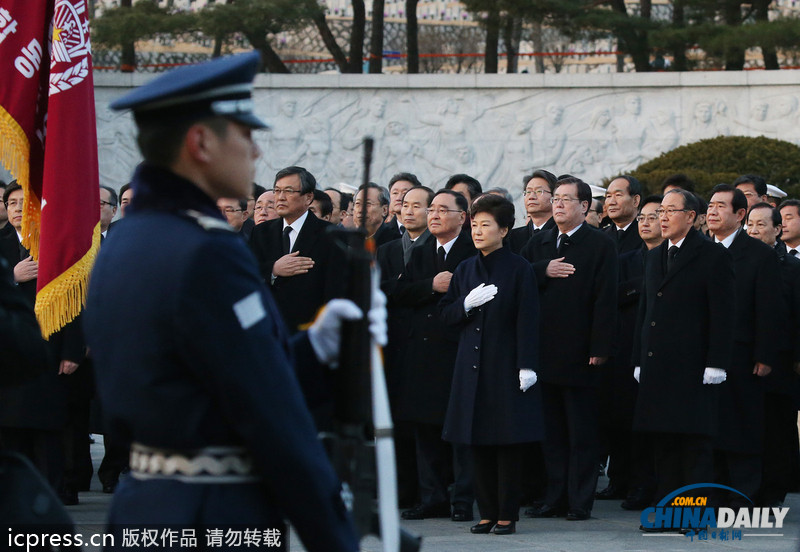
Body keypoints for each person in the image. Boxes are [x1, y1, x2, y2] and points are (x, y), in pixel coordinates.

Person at [84, 51, 366, 552]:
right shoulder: (208, 249)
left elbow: (202, 373)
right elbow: (269, 413)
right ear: (201, 143)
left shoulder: (124, 239)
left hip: (143, 505)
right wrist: (335, 535)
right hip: (214, 511)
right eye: (245, 135)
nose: (256, 152)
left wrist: (310, 348)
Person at [439, 194, 543, 536]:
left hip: (505, 365)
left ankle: (507, 514)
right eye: (475, 225)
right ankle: (485, 513)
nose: (478, 232)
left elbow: (528, 319)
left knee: (506, 444)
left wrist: (526, 365)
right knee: (476, 442)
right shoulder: (466, 269)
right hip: (470, 367)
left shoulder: (519, 268)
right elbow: (447, 316)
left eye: (486, 225)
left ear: (505, 229)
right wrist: (465, 305)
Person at [633, 189, 734, 527]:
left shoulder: (711, 255)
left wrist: (717, 362)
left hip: (693, 368)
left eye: (670, 211)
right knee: (664, 443)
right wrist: (638, 359)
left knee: (693, 445)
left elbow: (723, 313)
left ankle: (693, 514)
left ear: (691, 216)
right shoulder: (653, 255)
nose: (662, 217)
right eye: (660, 210)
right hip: (657, 366)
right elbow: (645, 311)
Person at [521, 176, 617, 521]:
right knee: (551, 434)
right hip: (544, 352)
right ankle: (554, 497)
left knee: (582, 434)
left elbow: (606, 299)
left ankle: (579, 501)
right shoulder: (539, 243)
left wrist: (600, 346)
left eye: (566, 199)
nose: (557, 204)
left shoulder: (600, 244)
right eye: (556, 198)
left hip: (582, 354)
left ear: (585, 206)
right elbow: (517, 282)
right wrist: (541, 270)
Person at [394, 189, 477, 523]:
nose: (435, 215)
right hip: (421, 353)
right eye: (432, 209)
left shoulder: (473, 250)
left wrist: (447, 290)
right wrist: (432, 284)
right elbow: (400, 292)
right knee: (424, 429)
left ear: (463, 216)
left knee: (458, 432)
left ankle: (462, 499)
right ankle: (433, 497)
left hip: (456, 350)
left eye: (444, 209)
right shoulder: (423, 249)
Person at [706, 184, 784, 508]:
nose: (712, 211)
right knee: (708, 430)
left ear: (740, 215)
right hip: (701, 356)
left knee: (741, 429)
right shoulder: (696, 249)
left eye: (721, 206)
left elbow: (769, 308)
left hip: (742, 355)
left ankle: (741, 499)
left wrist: (764, 355)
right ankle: (709, 495)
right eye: (710, 205)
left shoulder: (759, 254)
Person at [746, 202, 800, 506]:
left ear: (777, 230)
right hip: (744, 363)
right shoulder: (735, 261)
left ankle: (771, 495)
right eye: (750, 225)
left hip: (779, 366)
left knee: (776, 432)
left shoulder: (791, 268)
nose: (753, 231)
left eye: (761, 225)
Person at [249, 165, 342, 335]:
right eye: (277, 191)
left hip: (309, 332)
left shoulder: (330, 235)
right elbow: (249, 273)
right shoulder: (261, 232)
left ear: (308, 197)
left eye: (289, 191)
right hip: (269, 330)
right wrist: (274, 269)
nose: (280, 198)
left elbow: (334, 290)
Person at [597, 176, 643, 504]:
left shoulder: (646, 236)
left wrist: (611, 294)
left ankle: (635, 479)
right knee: (609, 411)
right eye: (608, 195)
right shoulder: (599, 238)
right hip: (604, 336)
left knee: (632, 411)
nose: (611, 201)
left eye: (618, 195)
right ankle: (616, 478)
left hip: (634, 334)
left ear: (636, 200)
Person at [508, 170, 557, 254]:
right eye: (528, 192)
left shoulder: (561, 234)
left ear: (554, 197)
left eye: (539, 191)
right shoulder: (512, 236)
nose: (531, 197)